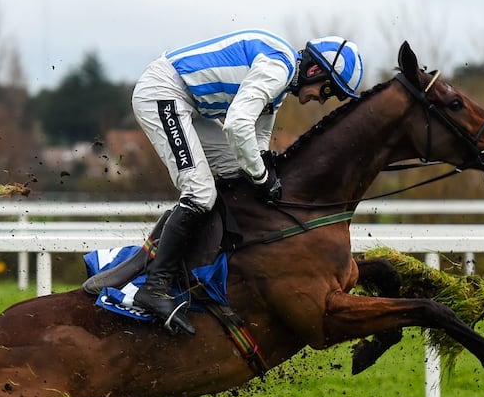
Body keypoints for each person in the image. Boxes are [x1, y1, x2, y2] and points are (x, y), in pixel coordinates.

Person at [130, 28, 364, 335]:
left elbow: (259, 136)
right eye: (328, 90)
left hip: (188, 103)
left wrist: (263, 170)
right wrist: (263, 177)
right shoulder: (278, 69)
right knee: (200, 193)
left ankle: (210, 274)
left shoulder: (281, 80)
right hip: (163, 93)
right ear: (314, 69)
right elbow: (238, 125)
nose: (322, 100)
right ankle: (155, 286)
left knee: (236, 174)